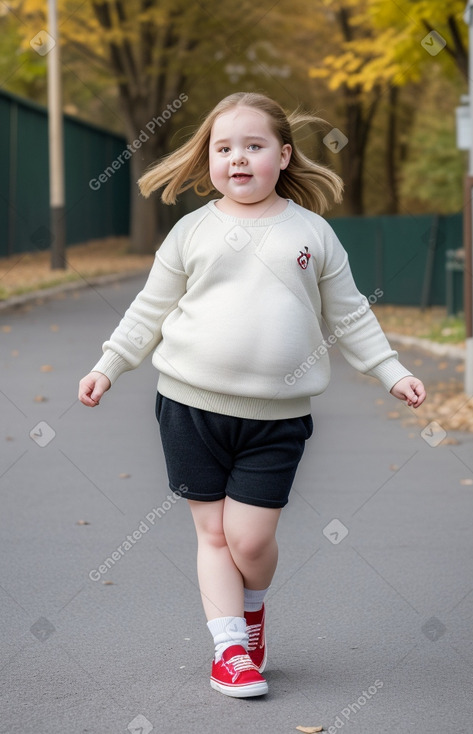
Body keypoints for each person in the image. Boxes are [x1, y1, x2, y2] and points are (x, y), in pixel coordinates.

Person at [78, 92, 426, 699]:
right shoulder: (191, 231)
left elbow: (350, 316)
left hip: (278, 419)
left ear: (283, 155)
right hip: (188, 408)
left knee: (250, 539)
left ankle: (252, 610)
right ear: (209, 160)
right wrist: (110, 364)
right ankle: (229, 649)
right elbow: (150, 310)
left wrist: (390, 370)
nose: (238, 159)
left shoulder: (311, 233)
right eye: (223, 148)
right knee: (212, 535)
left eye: (254, 146)